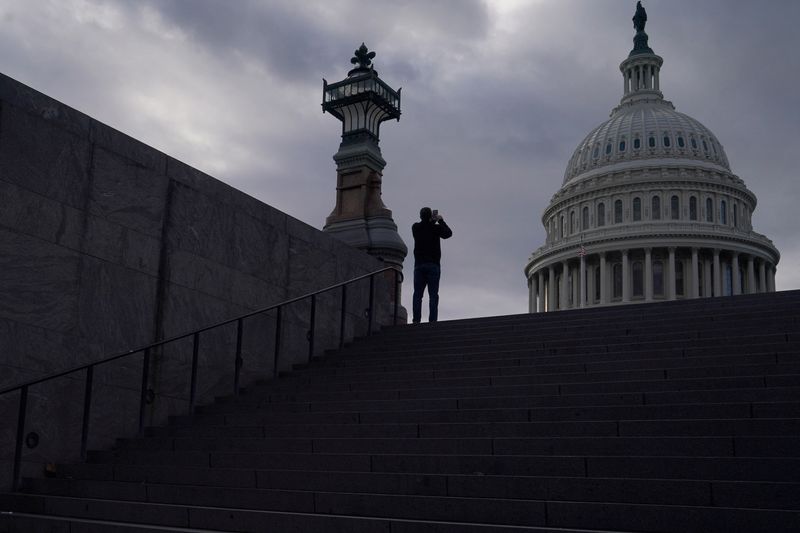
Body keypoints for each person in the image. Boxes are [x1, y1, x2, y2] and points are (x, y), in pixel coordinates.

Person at [411, 207, 453, 323]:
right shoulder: (436, 228)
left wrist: (431, 221)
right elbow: (448, 234)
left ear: (420, 216)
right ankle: (432, 321)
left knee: (417, 295)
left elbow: (425, 227)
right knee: (433, 295)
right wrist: (440, 220)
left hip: (419, 265)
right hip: (433, 265)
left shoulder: (415, 227)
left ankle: (416, 320)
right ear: (431, 216)